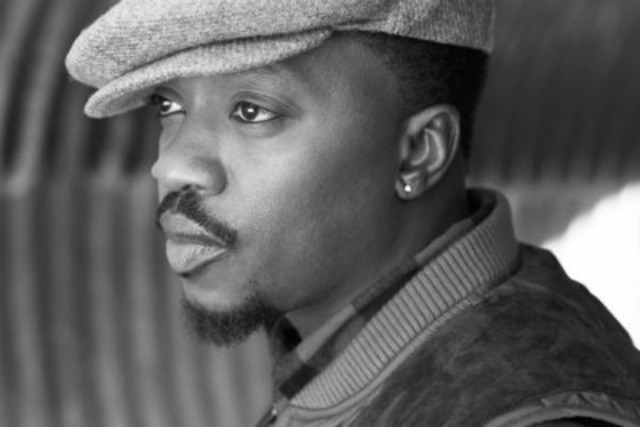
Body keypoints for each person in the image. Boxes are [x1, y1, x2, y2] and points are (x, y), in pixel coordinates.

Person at [65, 0, 640, 425]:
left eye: (252, 110)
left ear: (418, 153)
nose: (171, 166)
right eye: (168, 105)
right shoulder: (344, 359)